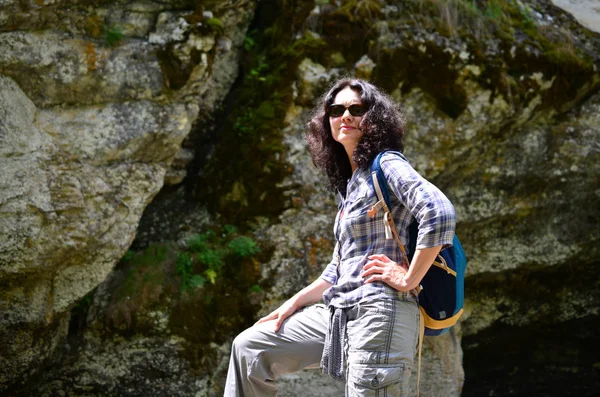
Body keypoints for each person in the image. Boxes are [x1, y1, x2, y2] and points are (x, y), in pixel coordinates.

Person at [223, 78, 456, 396]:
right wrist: (292, 304)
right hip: (337, 313)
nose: (345, 115)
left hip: (380, 311)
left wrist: (408, 277)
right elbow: (337, 270)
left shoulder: (386, 164)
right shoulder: (350, 185)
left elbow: (439, 211)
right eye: (336, 109)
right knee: (250, 347)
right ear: (327, 120)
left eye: (356, 109)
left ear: (374, 118)